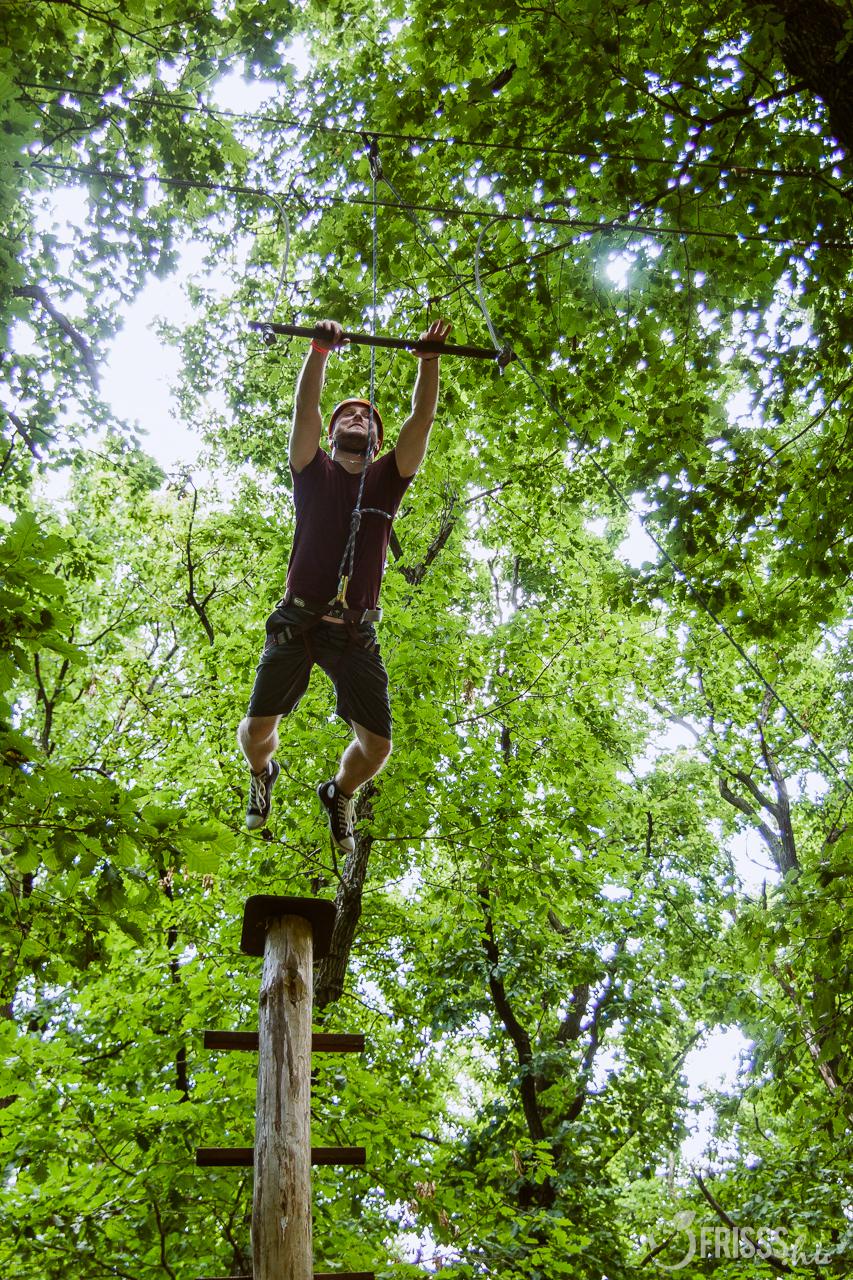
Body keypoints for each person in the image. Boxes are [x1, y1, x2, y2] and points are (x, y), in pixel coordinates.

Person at [237, 316, 451, 853]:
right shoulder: (312, 469)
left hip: (355, 632)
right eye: (347, 415)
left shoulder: (387, 478)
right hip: (297, 619)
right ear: (332, 436)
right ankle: (263, 773)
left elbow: (421, 420)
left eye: (366, 417)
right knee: (256, 732)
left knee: (377, 748)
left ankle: (339, 792)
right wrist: (318, 352)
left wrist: (429, 361)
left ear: (377, 440)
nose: (357, 417)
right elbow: (305, 411)